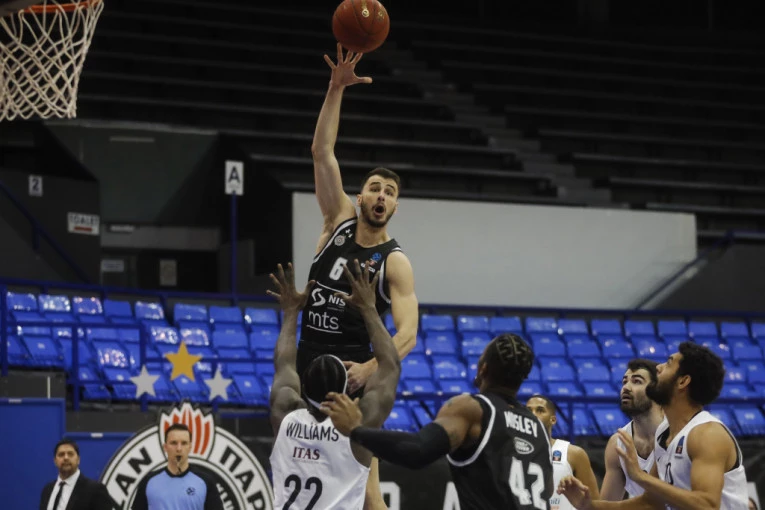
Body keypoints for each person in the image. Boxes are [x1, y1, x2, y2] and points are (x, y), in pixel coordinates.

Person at [304, 42, 419, 508]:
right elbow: (321, 151)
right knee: (300, 475)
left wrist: (371, 367)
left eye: (389, 192)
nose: (381, 195)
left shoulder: (395, 261)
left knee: (366, 489)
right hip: (306, 362)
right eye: (375, 187)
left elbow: (408, 333)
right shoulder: (337, 220)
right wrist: (336, 88)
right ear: (361, 196)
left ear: (394, 206)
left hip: (351, 378)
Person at [322, 333, 554, 510]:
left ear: (483, 367)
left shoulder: (473, 409)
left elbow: (418, 450)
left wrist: (357, 429)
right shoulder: (539, 428)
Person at [267, 261, 401, 510]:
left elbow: (284, 363)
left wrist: (291, 312)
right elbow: (390, 366)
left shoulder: (285, 412)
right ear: (347, 391)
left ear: (303, 386)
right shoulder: (357, 430)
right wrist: (369, 308)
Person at [558, 342, 749, 510]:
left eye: (668, 363)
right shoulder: (665, 435)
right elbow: (650, 503)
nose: (658, 367)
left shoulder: (707, 433)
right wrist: (591, 506)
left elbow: (707, 505)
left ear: (683, 381)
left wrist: (641, 477)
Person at [601, 359, 664, 501]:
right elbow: (608, 505)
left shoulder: (678, 435)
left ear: (656, 390)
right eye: (624, 382)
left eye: (637, 381)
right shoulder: (617, 444)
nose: (626, 388)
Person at [526, 395, 600, 510]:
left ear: (553, 420)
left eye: (540, 410)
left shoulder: (574, 453)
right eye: (528, 410)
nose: (533, 414)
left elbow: (595, 502)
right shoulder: (511, 451)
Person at [132, 423, 223, 510]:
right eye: (174, 443)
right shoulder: (148, 481)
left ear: (190, 447)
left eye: (184, 443)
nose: (179, 448)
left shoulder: (206, 481)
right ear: (165, 447)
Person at [40, 438, 114, 510]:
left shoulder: (95, 490)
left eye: (70, 454)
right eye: (61, 454)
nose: (66, 458)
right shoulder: (47, 490)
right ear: (55, 461)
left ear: (78, 459)